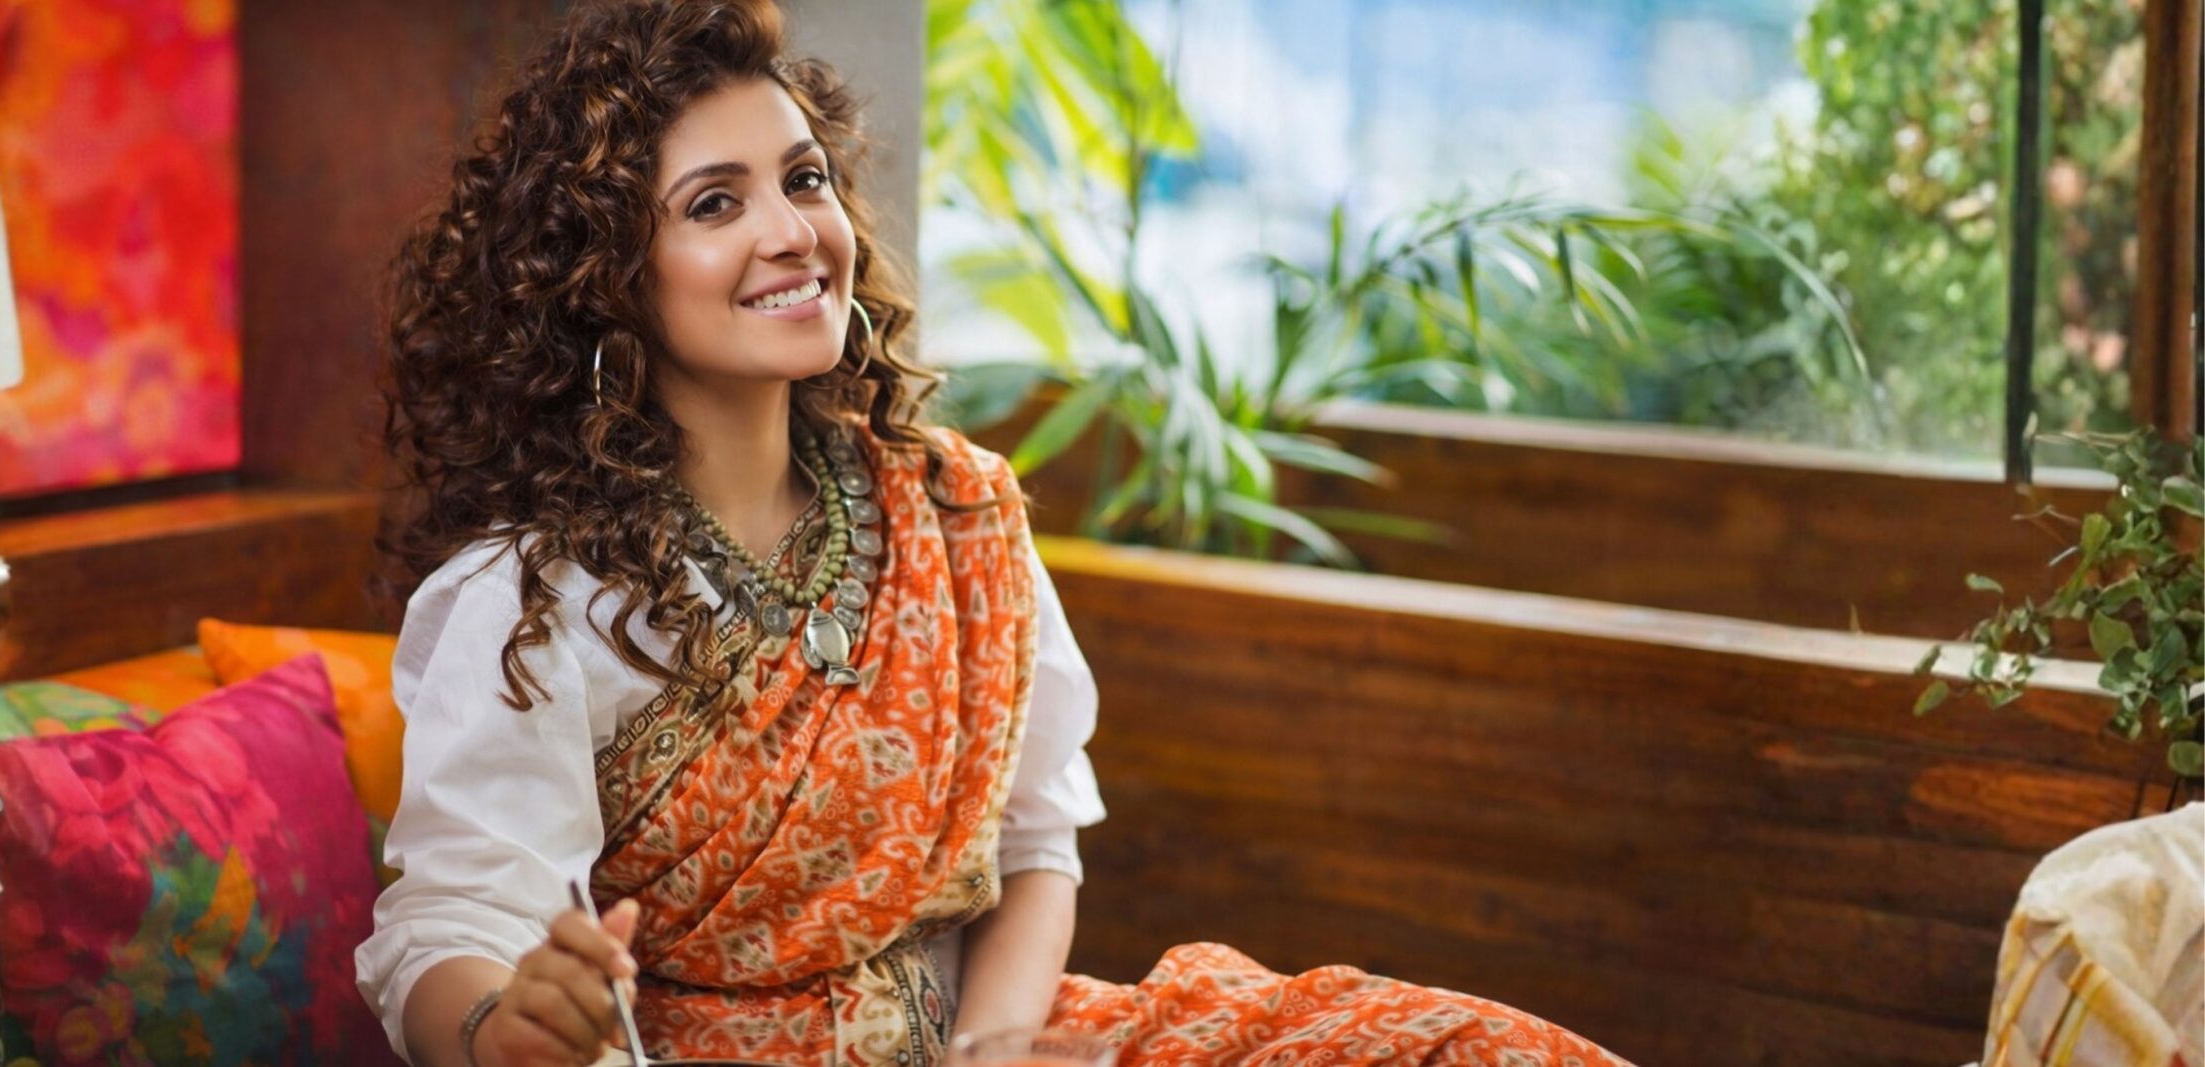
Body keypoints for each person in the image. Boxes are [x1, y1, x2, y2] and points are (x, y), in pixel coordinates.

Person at [357, 2, 1633, 1065]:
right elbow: (451, 917)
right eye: (712, 203)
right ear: (604, 280)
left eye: (803, 180)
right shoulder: (532, 596)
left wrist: (994, 1049)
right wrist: (500, 1023)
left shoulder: (956, 508)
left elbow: (1034, 840)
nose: (791, 231)